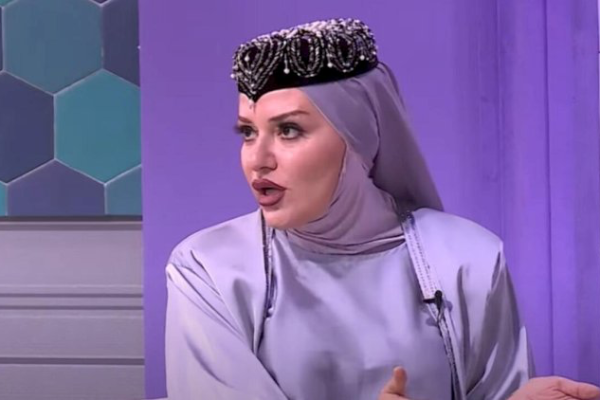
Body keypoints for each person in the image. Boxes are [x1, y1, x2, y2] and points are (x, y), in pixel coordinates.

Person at [164, 18, 600, 400]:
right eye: (247, 132)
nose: (257, 160)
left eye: (289, 130)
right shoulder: (208, 268)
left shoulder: (468, 258)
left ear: (361, 135)